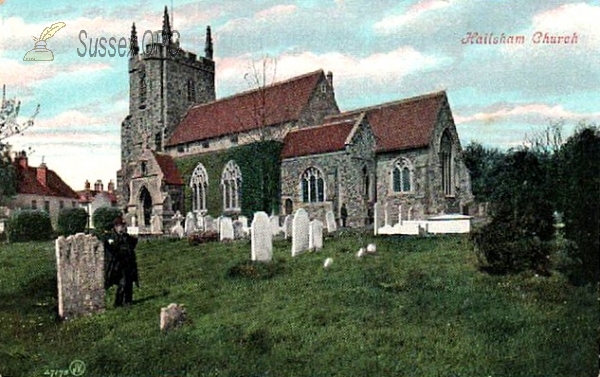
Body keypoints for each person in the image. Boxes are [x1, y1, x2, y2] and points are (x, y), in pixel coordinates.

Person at [103, 216, 139, 307]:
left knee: (129, 282)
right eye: (120, 226)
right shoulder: (111, 236)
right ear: (115, 226)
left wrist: (135, 237)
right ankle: (118, 303)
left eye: (123, 226)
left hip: (128, 263)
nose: (122, 228)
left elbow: (132, 245)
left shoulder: (126, 236)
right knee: (122, 283)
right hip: (117, 265)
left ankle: (128, 301)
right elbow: (111, 248)